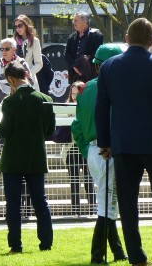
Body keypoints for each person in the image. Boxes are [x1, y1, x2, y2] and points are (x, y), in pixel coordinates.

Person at [96, 18, 152, 266]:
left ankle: (136, 256)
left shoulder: (109, 67)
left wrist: (105, 142)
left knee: (128, 205)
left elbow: (102, 108)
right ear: (151, 41)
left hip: (123, 143)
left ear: (127, 39)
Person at [71, 43, 127, 264]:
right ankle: (97, 254)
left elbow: (76, 126)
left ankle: (118, 252)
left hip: (94, 152)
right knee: (107, 205)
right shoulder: (114, 88)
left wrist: (88, 150)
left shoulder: (85, 89)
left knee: (108, 203)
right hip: (108, 152)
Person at [0, 60, 55, 254]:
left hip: (13, 159)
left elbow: (4, 130)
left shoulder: (9, 102)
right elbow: (50, 131)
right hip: (36, 156)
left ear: (11, 79)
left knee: (13, 203)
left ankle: (15, 245)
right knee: (40, 201)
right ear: (26, 75)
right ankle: (46, 243)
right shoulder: (45, 98)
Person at [63, 81, 95, 216]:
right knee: (74, 180)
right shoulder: (65, 107)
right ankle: (76, 209)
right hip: (71, 149)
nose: (75, 96)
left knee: (89, 179)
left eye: (78, 93)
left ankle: (93, 208)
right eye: (73, 93)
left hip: (86, 147)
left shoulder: (88, 106)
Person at [0, 37, 34, 104]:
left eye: (7, 49)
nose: (4, 51)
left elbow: (30, 81)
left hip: (20, 100)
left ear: (14, 50)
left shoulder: (22, 63)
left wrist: (12, 88)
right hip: (1, 101)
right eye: (2, 49)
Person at [65, 11, 105, 83]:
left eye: (76, 20)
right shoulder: (71, 37)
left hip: (91, 76)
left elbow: (97, 54)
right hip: (74, 75)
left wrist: (83, 66)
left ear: (85, 21)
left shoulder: (97, 36)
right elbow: (67, 54)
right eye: (73, 20)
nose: (74, 22)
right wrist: (74, 66)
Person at [13, 15, 43, 88]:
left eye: (20, 26)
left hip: (29, 79)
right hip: (14, 78)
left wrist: (28, 73)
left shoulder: (34, 41)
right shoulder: (13, 41)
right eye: (16, 26)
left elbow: (39, 63)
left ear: (26, 26)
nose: (17, 28)